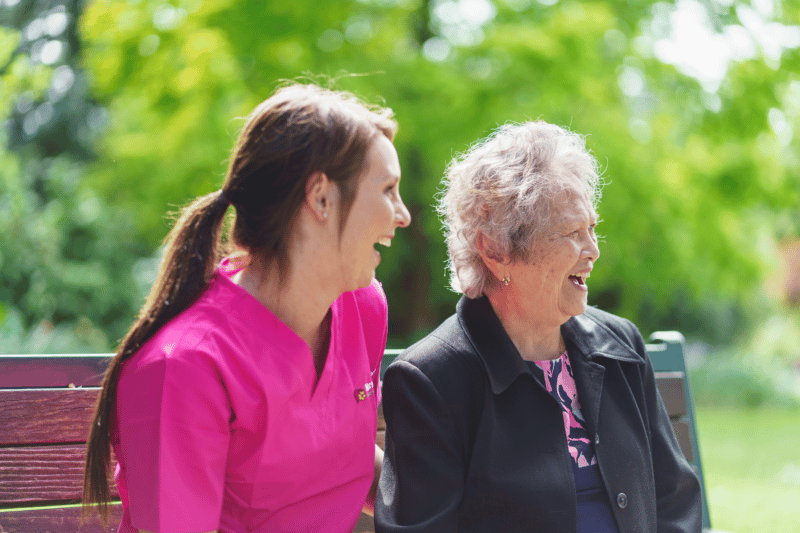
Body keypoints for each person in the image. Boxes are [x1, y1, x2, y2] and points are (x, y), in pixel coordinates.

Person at [82, 83, 411, 533]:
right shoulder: (183, 369)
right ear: (320, 198)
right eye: (388, 189)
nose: (403, 213)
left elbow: (334, 456)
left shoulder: (362, 308)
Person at [375, 121, 702, 532]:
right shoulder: (432, 381)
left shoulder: (620, 346)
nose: (593, 251)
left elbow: (675, 501)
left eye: (592, 229)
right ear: (495, 250)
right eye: (570, 233)